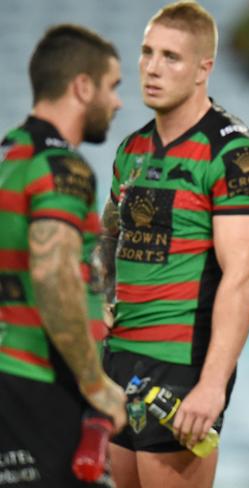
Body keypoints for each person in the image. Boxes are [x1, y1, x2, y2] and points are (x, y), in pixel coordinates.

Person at [99, 2, 249, 487]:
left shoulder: (236, 155)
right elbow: (108, 236)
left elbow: (243, 278)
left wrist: (212, 385)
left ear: (204, 68)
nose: (153, 68)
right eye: (147, 53)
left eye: (171, 57)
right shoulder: (131, 149)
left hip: (182, 366)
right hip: (117, 361)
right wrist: (101, 296)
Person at [0, 24, 126, 486]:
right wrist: (94, 383)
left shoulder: (10, 158)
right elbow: (54, 277)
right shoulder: (62, 167)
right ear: (82, 86)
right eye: (112, 86)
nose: (118, 102)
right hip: (41, 382)